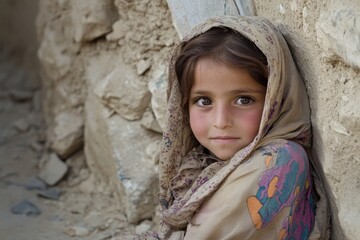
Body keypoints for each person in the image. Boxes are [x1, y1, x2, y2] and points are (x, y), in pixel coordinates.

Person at [127, 15, 330, 240]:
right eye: (204, 101)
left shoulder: (278, 162)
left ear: (275, 99)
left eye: (243, 100)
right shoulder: (202, 163)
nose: (221, 121)